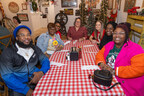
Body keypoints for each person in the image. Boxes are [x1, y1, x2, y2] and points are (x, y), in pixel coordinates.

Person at [95, 23, 144, 96]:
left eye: (121, 33)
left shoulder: (135, 48)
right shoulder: (110, 44)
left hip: (126, 86)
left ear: (126, 35)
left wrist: (115, 71)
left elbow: (140, 68)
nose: (117, 35)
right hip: (110, 79)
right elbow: (100, 54)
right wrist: (102, 64)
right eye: (115, 33)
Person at [0, 25, 50, 96]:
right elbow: (7, 76)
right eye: (22, 35)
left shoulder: (34, 48)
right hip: (18, 84)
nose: (26, 37)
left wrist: (41, 72)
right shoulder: (8, 52)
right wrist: (26, 90)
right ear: (17, 38)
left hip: (35, 78)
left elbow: (45, 60)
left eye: (28, 35)